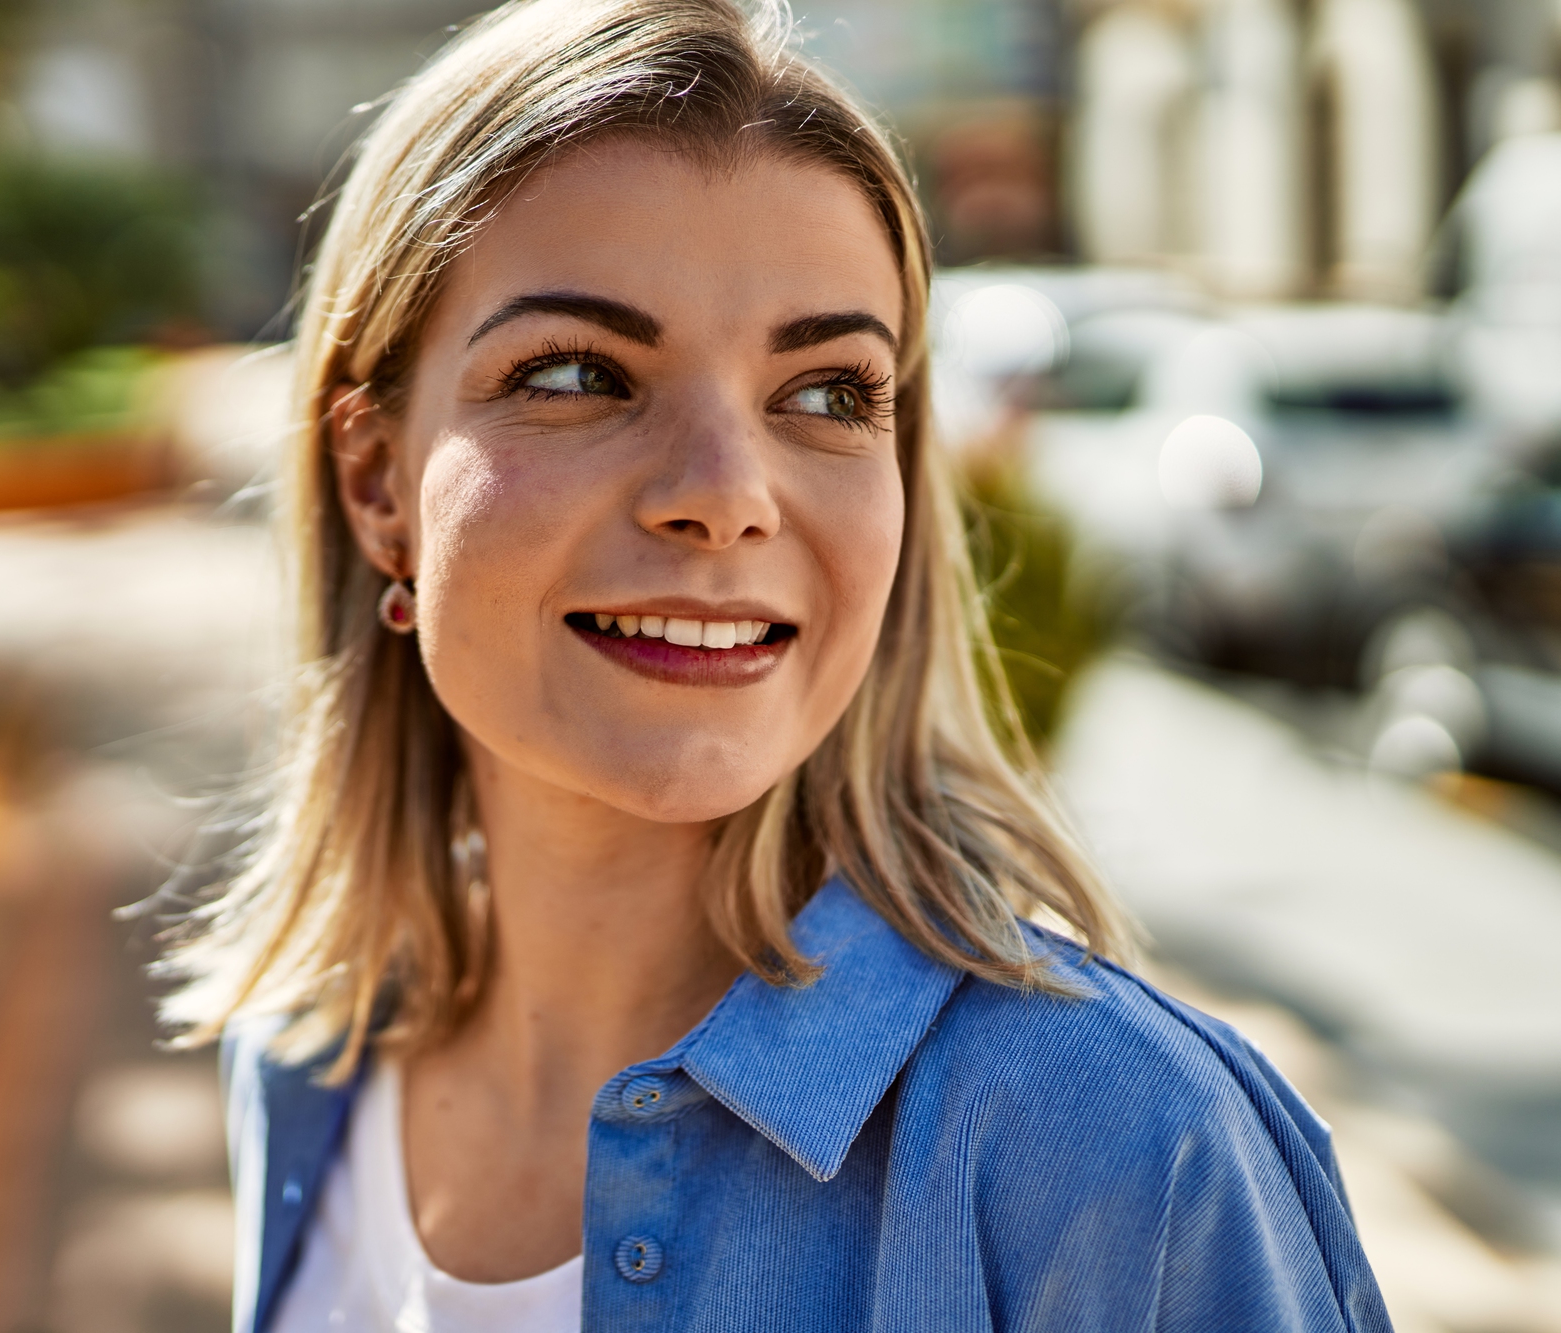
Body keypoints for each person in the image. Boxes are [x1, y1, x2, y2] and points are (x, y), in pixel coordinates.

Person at [156, 1, 1393, 1328]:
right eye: (579, 372)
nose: (727, 496)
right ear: (374, 479)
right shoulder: (304, 1055)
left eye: (828, 393)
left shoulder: (1124, 1147)